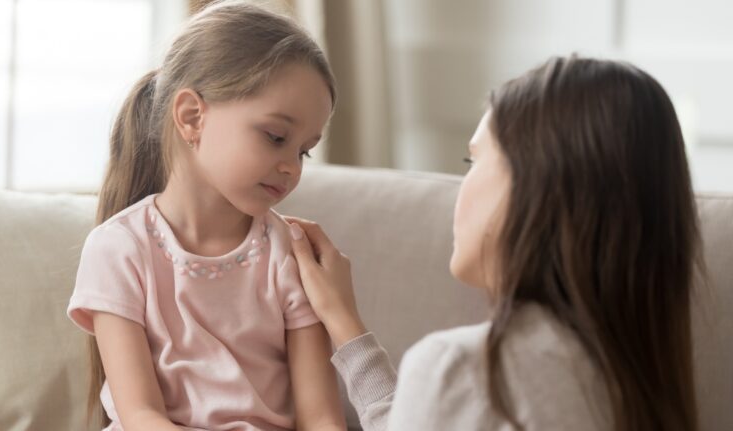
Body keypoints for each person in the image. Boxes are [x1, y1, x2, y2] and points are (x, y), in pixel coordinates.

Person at [287, 56, 701, 431]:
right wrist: (344, 324)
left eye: (474, 161)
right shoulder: (637, 381)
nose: (461, 189)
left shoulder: (464, 369)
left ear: (538, 187)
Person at [66, 2, 345, 430]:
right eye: (275, 137)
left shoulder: (290, 253)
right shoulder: (118, 249)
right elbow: (141, 416)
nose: (293, 166)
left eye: (304, 150)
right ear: (192, 117)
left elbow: (321, 417)